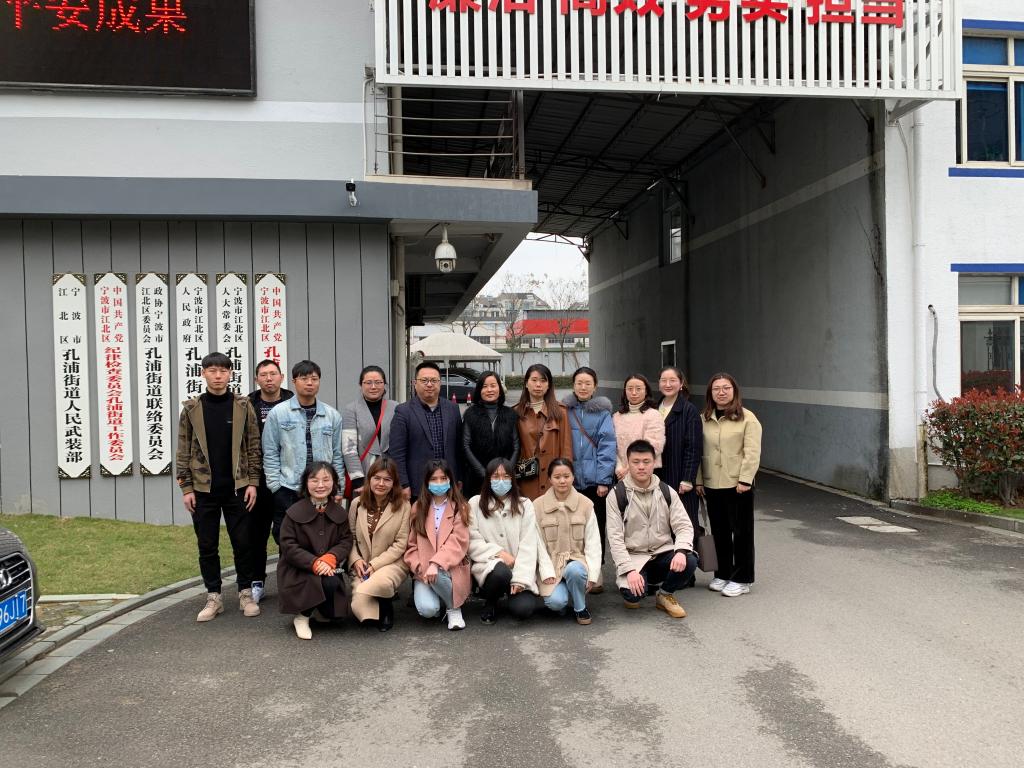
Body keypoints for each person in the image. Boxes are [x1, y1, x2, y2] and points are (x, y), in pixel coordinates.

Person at [175, 352, 262, 622]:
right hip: (203, 490)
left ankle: (245, 593)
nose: (217, 376)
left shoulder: (243, 406)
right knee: (207, 545)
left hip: (238, 487)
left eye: (223, 371)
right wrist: (186, 488)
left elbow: (253, 445)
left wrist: (253, 482)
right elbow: (183, 450)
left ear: (230, 374)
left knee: (243, 543)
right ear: (203, 373)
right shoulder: (192, 409)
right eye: (212, 370)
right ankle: (213, 596)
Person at [605, 439, 697, 618]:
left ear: (654, 463)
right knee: (633, 597)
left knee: (690, 559)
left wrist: (680, 551)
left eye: (646, 462)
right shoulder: (617, 495)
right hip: (634, 557)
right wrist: (629, 571)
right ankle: (638, 584)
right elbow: (614, 538)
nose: (641, 467)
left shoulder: (666, 491)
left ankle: (665, 594)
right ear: (628, 463)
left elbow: (684, 526)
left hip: (662, 552)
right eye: (636, 462)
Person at [262, 360, 345, 544]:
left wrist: (338, 488)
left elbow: (337, 455)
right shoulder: (278, 413)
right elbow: (270, 452)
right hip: (289, 487)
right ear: (294, 381)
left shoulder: (332, 415)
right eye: (304, 378)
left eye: (314, 379)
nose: (309, 383)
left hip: (323, 488)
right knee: (286, 538)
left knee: (321, 537)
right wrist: (276, 487)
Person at [696, 373, 762, 598]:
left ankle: (743, 578)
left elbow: (752, 452)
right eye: (716, 389)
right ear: (710, 393)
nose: (721, 392)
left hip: (737, 484)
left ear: (734, 391)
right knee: (720, 531)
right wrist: (698, 480)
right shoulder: (704, 418)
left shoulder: (747, 418)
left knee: (742, 532)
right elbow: (698, 450)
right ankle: (723, 573)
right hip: (712, 483)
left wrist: (745, 479)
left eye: (726, 388)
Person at [277, 462, 353, 640]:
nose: (320, 485)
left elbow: (346, 540)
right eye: (314, 480)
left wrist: (331, 557)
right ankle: (302, 616)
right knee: (325, 582)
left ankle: (319, 608)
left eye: (326, 480)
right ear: (306, 483)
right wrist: (314, 563)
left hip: (328, 567)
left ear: (334, 482)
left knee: (332, 595)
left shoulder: (340, 513)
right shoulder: (293, 513)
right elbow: (288, 545)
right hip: (298, 570)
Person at [467, 458, 541, 624]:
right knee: (500, 573)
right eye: (496, 476)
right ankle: (491, 602)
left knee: (523, 609)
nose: (501, 481)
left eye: (506, 476)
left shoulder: (525, 505)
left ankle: (513, 592)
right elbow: (472, 540)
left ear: (513, 479)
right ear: (488, 479)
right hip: (489, 567)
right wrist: (499, 553)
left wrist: (520, 579)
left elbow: (529, 544)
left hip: (518, 567)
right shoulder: (475, 503)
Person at [246, 359, 294, 604]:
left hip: (287, 479)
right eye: (263, 374)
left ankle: (290, 582)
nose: (268, 378)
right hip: (257, 479)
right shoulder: (247, 405)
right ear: (257, 379)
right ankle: (257, 582)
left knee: (287, 532)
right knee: (256, 534)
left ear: (281, 377)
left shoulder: (293, 402)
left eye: (273, 374)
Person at [561, 366, 616, 577]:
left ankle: (596, 570)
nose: (583, 387)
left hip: (595, 482)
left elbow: (607, 447)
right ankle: (572, 567)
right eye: (579, 383)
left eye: (587, 383)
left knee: (596, 525)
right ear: (573, 385)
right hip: (570, 481)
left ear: (595, 387)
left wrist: (604, 479)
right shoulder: (564, 411)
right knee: (570, 526)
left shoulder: (603, 414)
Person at [403, 459, 471, 630]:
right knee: (428, 610)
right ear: (426, 482)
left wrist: (436, 564)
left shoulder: (460, 507)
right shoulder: (418, 507)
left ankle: (453, 608)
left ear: (450, 480)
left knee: (438, 574)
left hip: (451, 570)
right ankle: (441, 598)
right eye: (434, 479)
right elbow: (411, 546)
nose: (439, 483)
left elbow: (459, 542)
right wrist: (421, 567)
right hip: (424, 572)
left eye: (443, 478)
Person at [533, 458, 602, 625]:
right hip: (552, 564)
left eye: (566, 476)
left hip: (577, 562)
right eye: (557, 477)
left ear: (573, 477)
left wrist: (593, 574)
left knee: (574, 570)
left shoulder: (586, 504)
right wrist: (546, 572)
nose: (562, 481)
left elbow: (593, 542)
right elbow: (538, 544)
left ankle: (580, 607)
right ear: (550, 479)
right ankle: (563, 597)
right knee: (556, 603)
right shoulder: (538, 506)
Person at [347, 457, 410, 632]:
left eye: (387, 479)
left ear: (394, 483)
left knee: (380, 583)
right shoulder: (356, 504)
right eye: (377, 478)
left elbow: (401, 543)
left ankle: (386, 604)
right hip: (363, 564)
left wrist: (375, 565)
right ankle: (375, 600)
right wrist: (356, 560)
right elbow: (350, 538)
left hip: (392, 562)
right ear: (369, 479)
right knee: (362, 611)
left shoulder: (404, 506)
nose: (381, 483)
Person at [389, 361, 463, 499]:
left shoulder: (452, 409)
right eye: (424, 380)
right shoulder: (403, 411)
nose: (429, 384)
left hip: (448, 483)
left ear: (440, 383)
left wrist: (459, 478)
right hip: (417, 485)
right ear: (415, 383)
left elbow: (458, 448)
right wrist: (403, 484)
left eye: (434, 380)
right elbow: (397, 453)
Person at [513, 363, 573, 500]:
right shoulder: (516, 413)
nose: (538, 385)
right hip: (526, 481)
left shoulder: (560, 412)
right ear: (526, 383)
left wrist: (564, 477)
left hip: (554, 481)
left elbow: (566, 449)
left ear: (548, 385)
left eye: (543, 380)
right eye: (534, 380)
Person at [655, 366, 703, 531]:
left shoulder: (689, 410)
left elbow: (693, 447)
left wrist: (688, 478)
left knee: (683, 525)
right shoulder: (654, 408)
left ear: (681, 384)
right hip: (657, 476)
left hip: (679, 478)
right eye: (664, 380)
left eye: (672, 380)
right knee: (661, 525)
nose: (668, 384)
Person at [461, 372, 520, 499]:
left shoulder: (510, 414)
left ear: (500, 389)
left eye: (493, 385)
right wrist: (484, 474)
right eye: (485, 386)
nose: (489, 390)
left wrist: (506, 473)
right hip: (476, 479)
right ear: (479, 390)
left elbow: (516, 446)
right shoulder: (470, 414)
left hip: (505, 479)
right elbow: (465, 446)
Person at [341, 365, 394, 497]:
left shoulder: (395, 407)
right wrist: (358, 479)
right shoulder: (351, 409)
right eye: (368, 382)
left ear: (385, 385)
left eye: (378, 382)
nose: (373, 387)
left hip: (390, 473)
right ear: (361, 385)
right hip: (363, 473)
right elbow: (349, 448)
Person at [612, 374, 666, 481]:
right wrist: (619, 467)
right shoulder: (616, 416)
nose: (634, 393)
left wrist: (628, 469)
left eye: (638, 389)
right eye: (630, 389)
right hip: (620, 475)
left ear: (646, 391)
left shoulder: (653, 415)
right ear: (625, 391)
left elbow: (654, 446)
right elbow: (612, 446)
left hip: (645, 474)